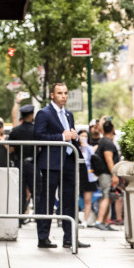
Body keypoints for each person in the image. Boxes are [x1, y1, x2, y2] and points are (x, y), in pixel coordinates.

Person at [33, 83, 90, 249]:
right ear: (52, 95)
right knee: (48, 199)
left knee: (70, 199)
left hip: (69, 162)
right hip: (51, 162)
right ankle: (43, 237)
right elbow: (38, 136)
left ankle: (69, 237)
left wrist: (73, 137)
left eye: (65, 93)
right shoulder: (44, 113)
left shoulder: (68, 114)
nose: (63, 96)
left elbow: (69, 136)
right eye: (59, 93)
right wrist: (61, 136)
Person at [8, 104, 40, 225]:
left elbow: (10, 149)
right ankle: (38, 217)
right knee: (36, 191)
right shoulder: (36, 130)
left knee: (20, 192)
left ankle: (20, 218)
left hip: (19, 163)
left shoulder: (15, 131)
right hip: (33, 163)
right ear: (31, 115)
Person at [93, 120, 120, 231]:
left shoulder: (103, 141)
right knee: (106, 196)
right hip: (106, 174)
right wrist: (114, 174)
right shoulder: (107, 143)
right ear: (112, 129)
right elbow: (109, 160)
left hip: (105, 173)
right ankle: (99, 221)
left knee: (109, 197)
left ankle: (104, 222)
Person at [77, 129, 98, 228]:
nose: (83, 138)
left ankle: (85, 221)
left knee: (87, 200)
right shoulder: (75, 147)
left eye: (85, 136)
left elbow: (93, 156)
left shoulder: (89, 148)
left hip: (89, 175)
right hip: (77, 175)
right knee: (74, 198)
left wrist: (87, 147)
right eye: (81, 136)